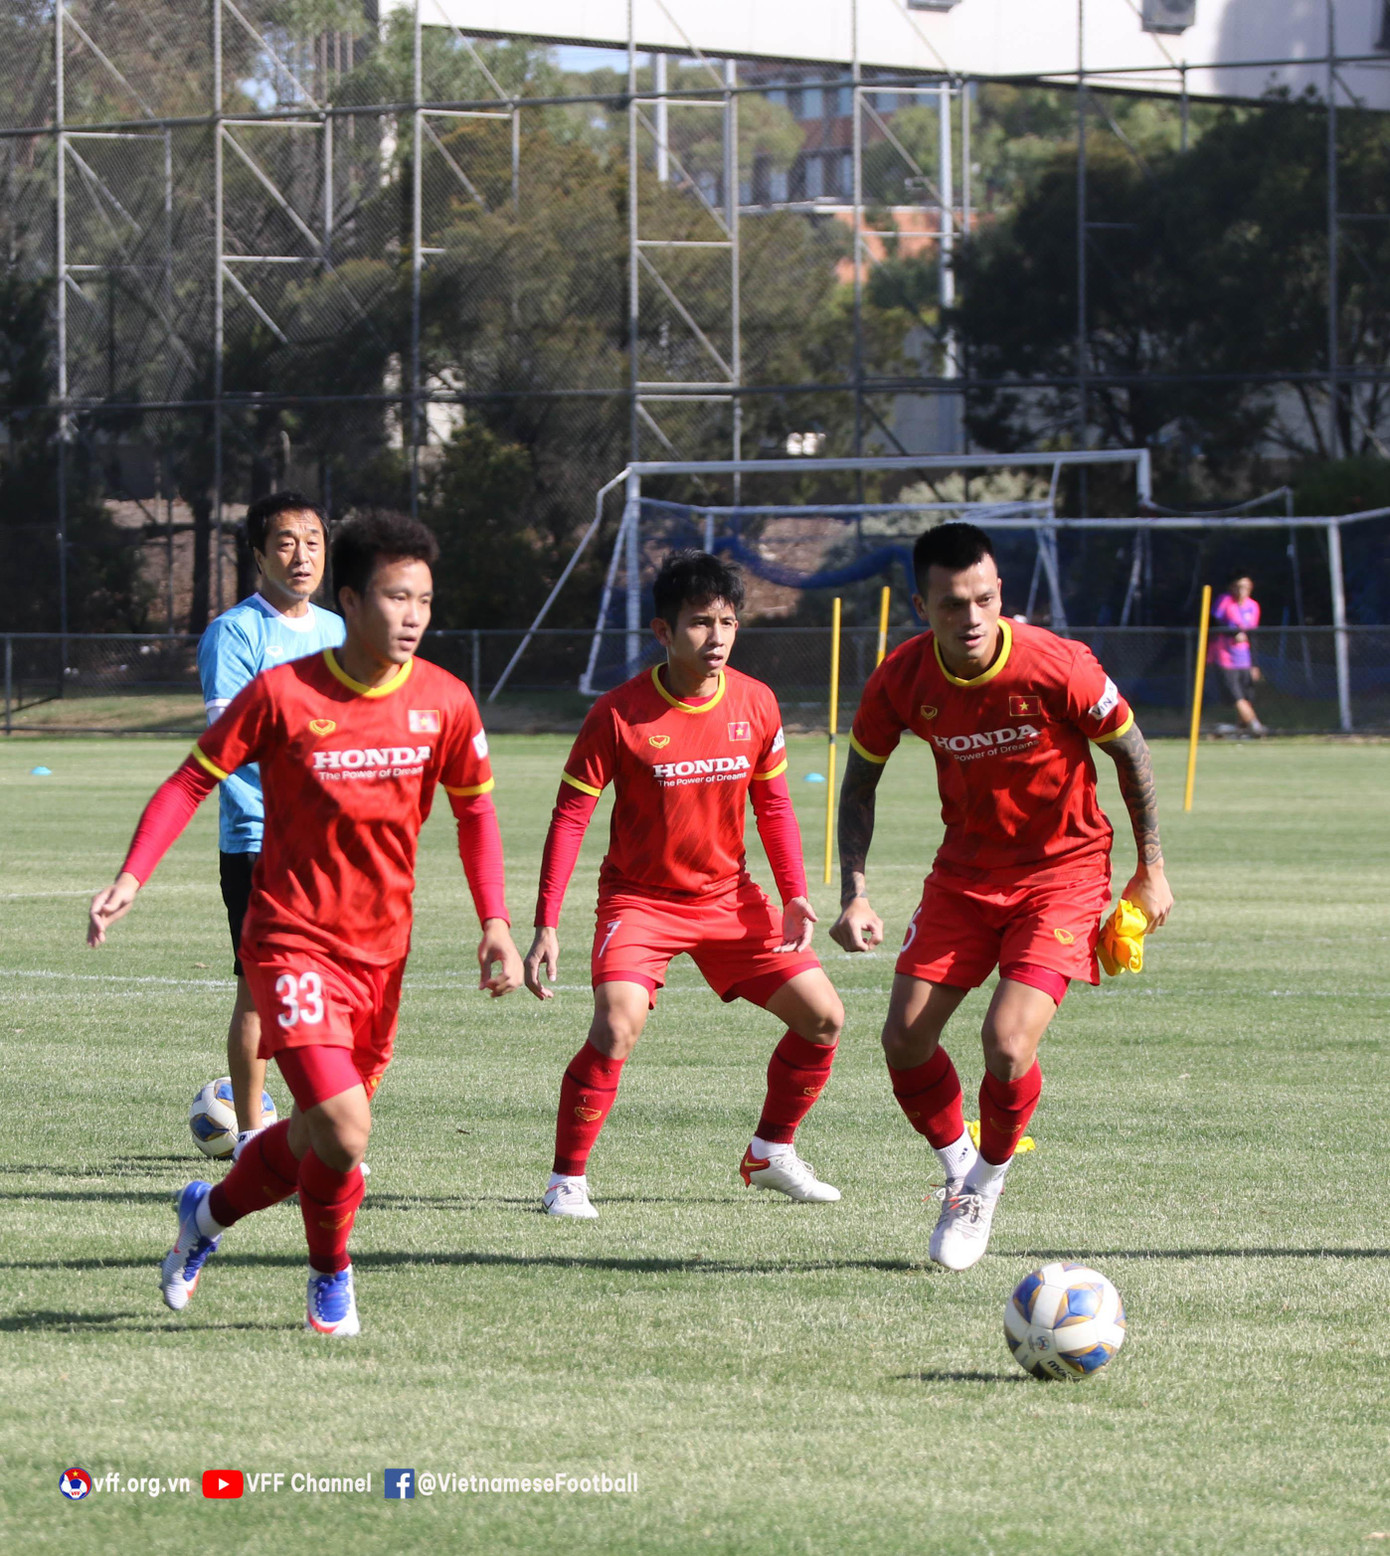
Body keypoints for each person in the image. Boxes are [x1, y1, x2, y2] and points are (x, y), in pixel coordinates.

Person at [88, 513, 524, 1337]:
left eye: (424, 600)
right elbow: (190, 780)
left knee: (324, 1139)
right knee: (347, 1130)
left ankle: (204, 1216)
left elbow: (476, 814)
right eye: (396, 598)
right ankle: (332, 1274)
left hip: (381, 954)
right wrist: (132, 876)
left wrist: (495, 919)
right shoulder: (284, 695)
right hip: (290, 940)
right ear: (351, 601)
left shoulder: (444, 700)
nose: (414, 616)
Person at [831, 522, 1174, 1271]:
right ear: (922, 607)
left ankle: (985, 1183)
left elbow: (1131, 750)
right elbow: (858, 786)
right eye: (953, 604)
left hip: (1063, 874)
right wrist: (855, 892)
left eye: (985, 599)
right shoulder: (900, 680)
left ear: (1000, 594)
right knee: (903, 1039)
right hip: (964, 875)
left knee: (1008, 1042)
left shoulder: (1059, 665)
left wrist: (1150, 867)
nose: (973, 617)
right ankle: (960, 1165)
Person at [524, 551, 845, 1219]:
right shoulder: (618, 713)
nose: (717, 637)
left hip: (729, 898)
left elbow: (774, 805)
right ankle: (565, 1182)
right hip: (640, 901)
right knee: (617, 1026)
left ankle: (770, 1152)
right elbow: (570, 816)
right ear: (663, 631)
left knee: (823, 1018)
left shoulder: (756, 701)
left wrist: (793, 892)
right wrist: (546, 922)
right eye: (701, 623)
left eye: (727, 622)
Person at [197, 491, 345, 1150]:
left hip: (336, 845)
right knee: (260, 991)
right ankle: (254, 1139)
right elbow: (229, 740)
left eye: (312, 541)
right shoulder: (235, 633)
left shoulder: (341, 632)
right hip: (261, 840)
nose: (301, 555)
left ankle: (319, 1131)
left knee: (329, 993)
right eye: (285, 542)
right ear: (259, 555)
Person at [1209, 575, 1266, 735]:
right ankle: (1256, 727)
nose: (1242, 591)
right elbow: (1214, 622)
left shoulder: (1253, 606)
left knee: (1247, 697)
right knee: (1237, 696)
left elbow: (1253, 635)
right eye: (1239, 587)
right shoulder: (1225, 602)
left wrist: (1254, 664)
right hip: (1226, 658)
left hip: (1244, 659)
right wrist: (1233, 633)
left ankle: (1241, 729)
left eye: (1246, 587)